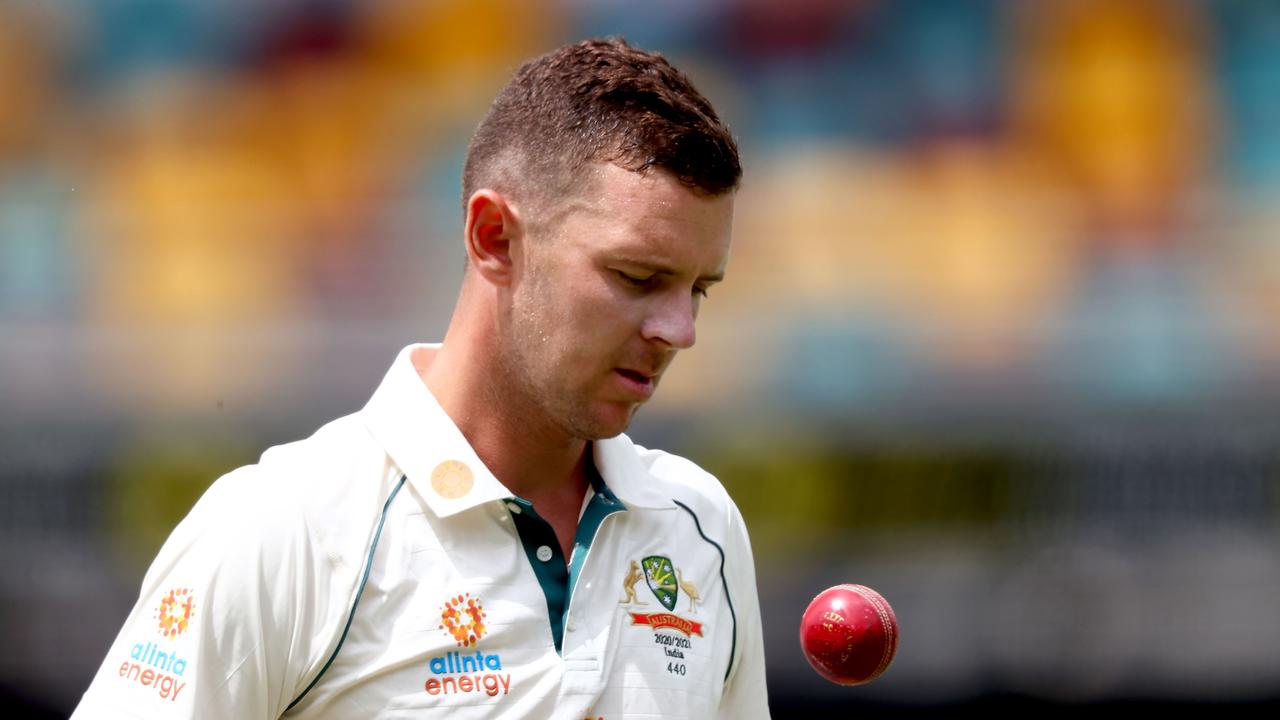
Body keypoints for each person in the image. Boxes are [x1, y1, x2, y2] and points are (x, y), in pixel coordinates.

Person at [73, 37, 768, 719]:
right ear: (493, 237)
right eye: (638, 277)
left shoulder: (700, 528)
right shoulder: (282, 530)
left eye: (698, 289)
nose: (680, 331)